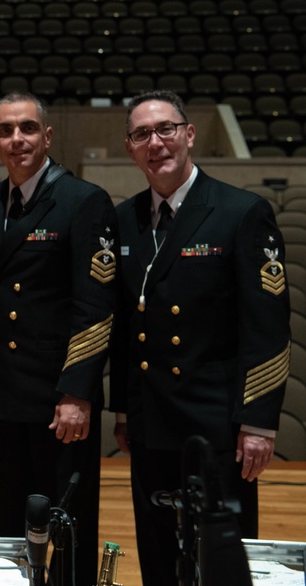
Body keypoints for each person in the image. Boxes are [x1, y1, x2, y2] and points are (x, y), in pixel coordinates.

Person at [110, 90, 290, 584]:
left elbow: (268, 327)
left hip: (216, 427)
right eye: (142, 134)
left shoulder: (239, 212)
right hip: (150, 423)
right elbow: (127, 327)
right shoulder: (124, 219)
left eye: (166, 129)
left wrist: (258, 422)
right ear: (130, 148)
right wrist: (125, 410)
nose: (156, 143)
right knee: (157, 552)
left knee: (220, 558)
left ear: (189, 135)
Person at [0, 92, 117, 585]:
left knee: (67, 527)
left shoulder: (84, 201)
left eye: (28, 128)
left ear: (47, 135)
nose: (18, 139)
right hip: (4, 394)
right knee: (9, 527)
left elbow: (95, 307)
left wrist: (77, 392)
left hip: (60, 401)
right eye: (6, 130)